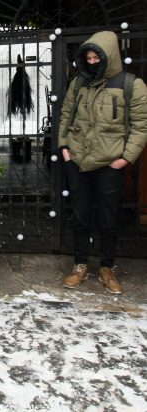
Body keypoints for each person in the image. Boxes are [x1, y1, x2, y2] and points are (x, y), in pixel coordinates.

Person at [58, 31, 147, 294]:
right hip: (78, 161)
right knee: (81, 217)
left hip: (110, 164)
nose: (93, 61)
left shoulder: (132, 85)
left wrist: (124, 159)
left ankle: (107, 268)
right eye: (89, 57)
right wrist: (64, 147)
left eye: (98, 57)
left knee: (108, 219)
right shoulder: (79, 83)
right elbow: (66, 114)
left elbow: (140, 127)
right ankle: (80, 265)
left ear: (110, 57)